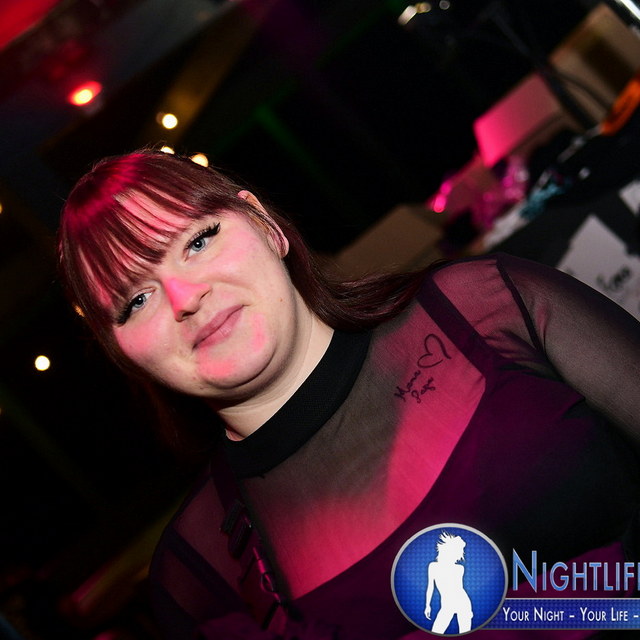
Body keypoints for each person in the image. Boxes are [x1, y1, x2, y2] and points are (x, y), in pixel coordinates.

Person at [58, 150, 640, 639]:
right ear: (121, 353)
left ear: (264, 225)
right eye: (136, 300)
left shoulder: (488, 310)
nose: (186, 298)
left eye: (198, 240)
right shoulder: (200, 570)